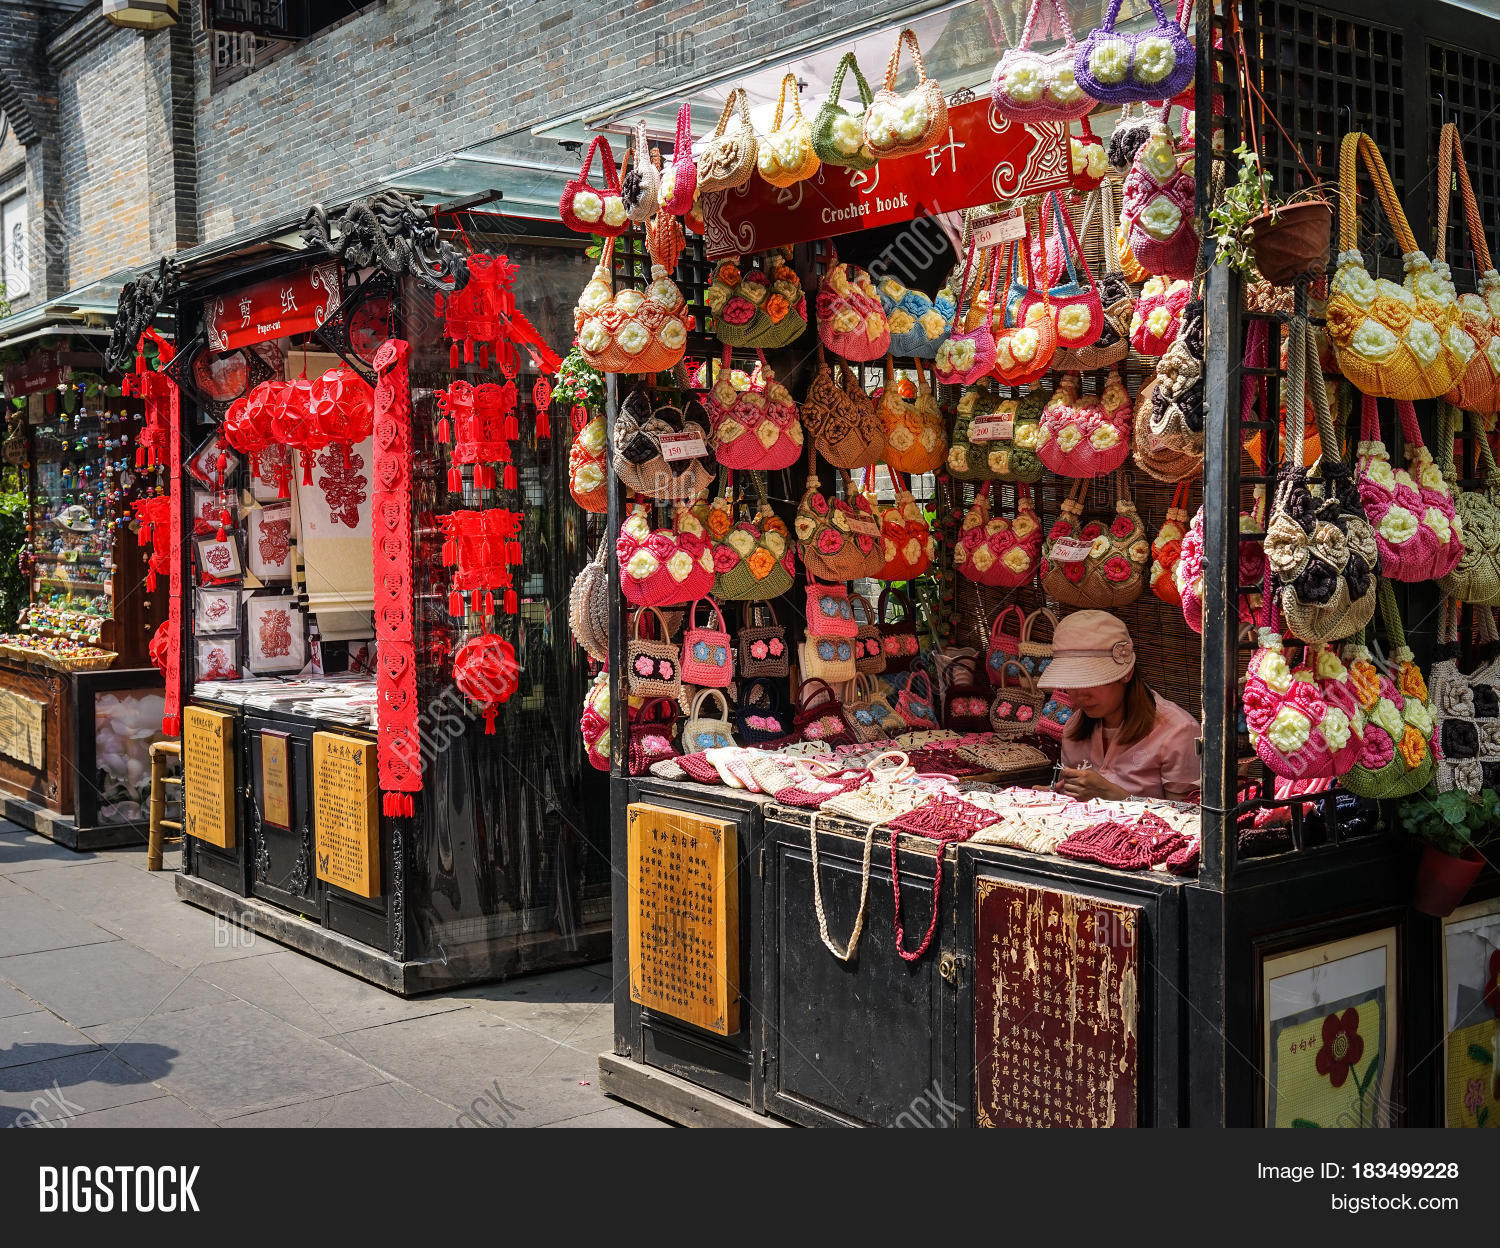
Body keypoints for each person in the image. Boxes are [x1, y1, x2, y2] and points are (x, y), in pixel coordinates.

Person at [1036, 609, 1200, 802]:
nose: (1081, 693)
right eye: (1072, 682)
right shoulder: (1074, 727)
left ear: (1126, 673)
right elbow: (1075, 799)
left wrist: (1118, 796)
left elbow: (1189, 818)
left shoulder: (1178, 731)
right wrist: (1057, 796)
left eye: (1091, 679)